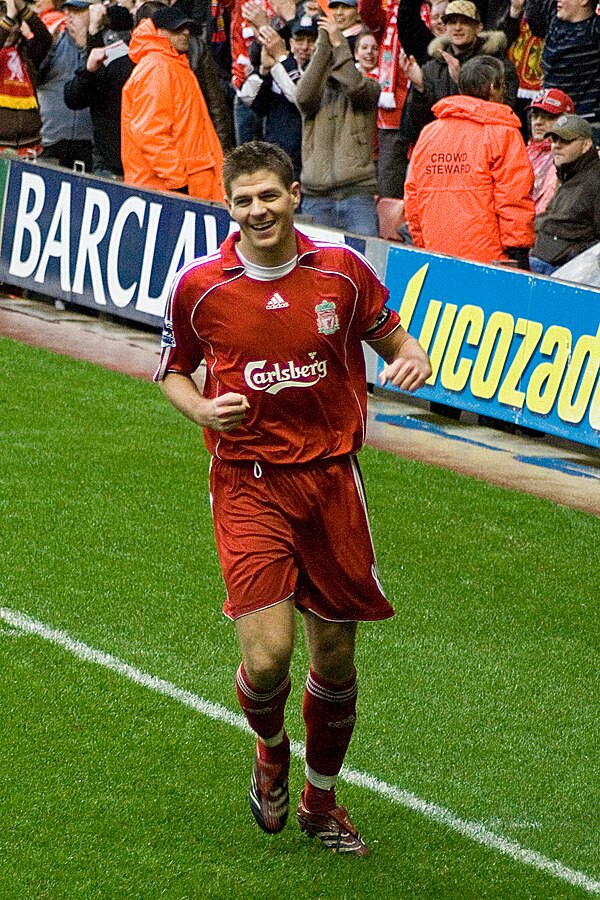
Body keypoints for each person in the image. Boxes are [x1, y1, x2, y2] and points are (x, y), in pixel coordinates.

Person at [154, 140, 431, 856]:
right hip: (248, 483)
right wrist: (203, 412)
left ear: (294, 194)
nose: (257, 210)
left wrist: (410, 355)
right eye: (243, 200)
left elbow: (392, 335)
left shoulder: (341, 272)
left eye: (268, 196)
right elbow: (174, 371)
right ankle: (271, 750)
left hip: (335, 481)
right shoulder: (199, 286)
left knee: (335, 658)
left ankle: (320, 799)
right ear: (229, 206)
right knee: (271, 656)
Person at [404, 54, 534, 266]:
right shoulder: (503, 132)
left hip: (435, 253)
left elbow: (413, 197)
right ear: (493, 87)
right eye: (503, 85)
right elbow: (514, 196)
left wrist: (422, 243)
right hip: (491, 260)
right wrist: (517, 252)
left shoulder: (429, 133)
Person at [120, 4, 224, 199]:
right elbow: (150, 133)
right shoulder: (158, 68)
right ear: (158, 32)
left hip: (186, 182)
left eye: (187, 28)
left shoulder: (173, 64)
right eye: (176, 29)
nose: (185, 33)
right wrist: (177, 181)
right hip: (170, 188)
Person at [294, 14, 381, 235]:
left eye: (338, 57)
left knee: (363, 265)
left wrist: (339, 43)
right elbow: (302, 97)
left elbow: (355, 88)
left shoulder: (369, 87)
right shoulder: (314, 95)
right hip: (316, 197)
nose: (333, 61)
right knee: (315, 267)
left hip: (357, 196)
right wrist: (324, 43)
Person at [406, 0, 520, 137]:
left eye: (465, 22)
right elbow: (420, 122)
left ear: (478, 27)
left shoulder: (497, 64)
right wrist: (419, 89)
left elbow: (506, 110)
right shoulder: (433, 67)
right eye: (452, 22)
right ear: (445, 28)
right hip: (446, 144)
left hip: (484, 142)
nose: (458, 27)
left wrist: (462, 82)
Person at [238, 15, 317, 181]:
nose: (304, 46)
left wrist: (282, 59)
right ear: (290, 42)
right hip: (276, 158)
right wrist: (264, 70)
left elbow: (298, 95)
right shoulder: (277, 68)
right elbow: (249, 99)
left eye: (310, 41)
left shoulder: (321, 72)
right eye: (299, 40)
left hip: (308, 161)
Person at [530, 113, 600, 275]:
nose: (556, 146)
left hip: (564, 274)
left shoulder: (594, 180)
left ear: (586, 145)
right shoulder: (570, 173)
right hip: (543, 264)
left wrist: (567, 255)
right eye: (554, 140)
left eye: (565, 141)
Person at [524, 0, 600, 136]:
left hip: (583, 121)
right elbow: (535, 12)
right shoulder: (554, 19)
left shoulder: (594, 30)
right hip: (547, 116)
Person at [36, 0, 95, 171]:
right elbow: (34, 78)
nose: (69, 16)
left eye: (77, 11)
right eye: (67, 11)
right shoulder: (55, 42)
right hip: (52, 138)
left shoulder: (100, 43)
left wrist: (87, 46)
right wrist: (48, 47)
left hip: (88, 142)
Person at [0, 0, 51, 156]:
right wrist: (9, 17)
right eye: (5, 23)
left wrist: (23, 9)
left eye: (15, 24)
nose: (11, 29)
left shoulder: (27, 53)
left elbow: (45, 38)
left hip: (29, 146)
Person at [525, 86, 574, 214]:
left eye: (547, 117)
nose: (538, 122)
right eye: (535, 116)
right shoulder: (523, 152)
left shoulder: (572, 156)